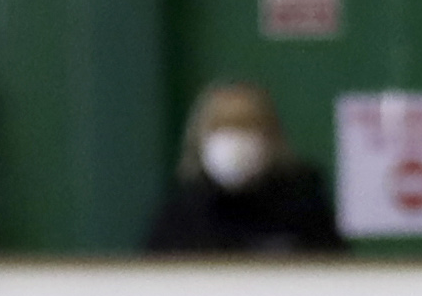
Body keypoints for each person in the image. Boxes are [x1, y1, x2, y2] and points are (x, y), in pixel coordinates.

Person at [145, 82, 347, 254]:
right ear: (200, 138)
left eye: (247, 125)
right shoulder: (182, 212)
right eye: (222, 126)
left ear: (271, 137)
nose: (235, 139)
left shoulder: (303, 203)